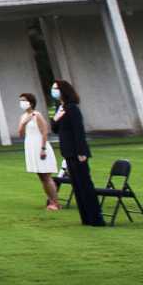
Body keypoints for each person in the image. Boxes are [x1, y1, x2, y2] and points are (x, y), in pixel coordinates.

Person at [49, 79, 104, 226]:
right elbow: (55, 129)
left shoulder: (72, 108)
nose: (54, 91)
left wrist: (81, 151)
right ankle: (86, 218)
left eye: (56, 88)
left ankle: (96, 219)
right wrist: (55, 118)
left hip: (76, 152)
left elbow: (78, 131)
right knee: (78, 186)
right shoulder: (60, 108)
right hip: (67, 152)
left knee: (85, 185)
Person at [17, 92, 60, 210]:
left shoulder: (37, 115)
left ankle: (55, 202)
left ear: (31, 102)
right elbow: (20, 133)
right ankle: (51, 200)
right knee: (41, 177)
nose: (22, 103)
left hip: (40, 145)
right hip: (30, 145)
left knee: (46, 176)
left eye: (24, 100)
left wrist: (43, 148)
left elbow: (44, 132)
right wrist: (24, 122)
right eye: (20, 100)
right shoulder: (23, 116)